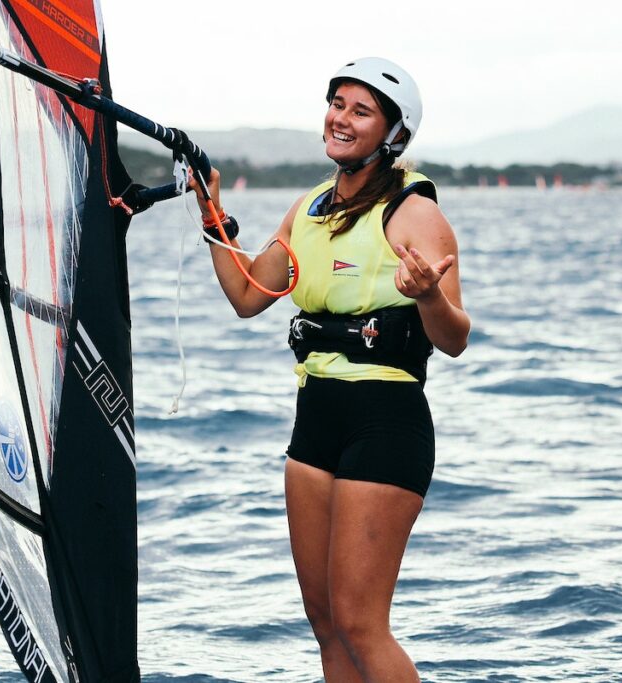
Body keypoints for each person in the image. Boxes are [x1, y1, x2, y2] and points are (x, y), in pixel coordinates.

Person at [190, 57, 470, 682]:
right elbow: (246, 297)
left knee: (360, 622)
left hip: (385, 423)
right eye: (337, 103)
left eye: (360, 110)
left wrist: (427, 296)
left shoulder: (413, 213)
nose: (341, 118)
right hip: (314, 423)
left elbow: (455, 339)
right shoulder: (308, 208)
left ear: (393, 135)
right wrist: (211, 214)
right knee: (324, 621)